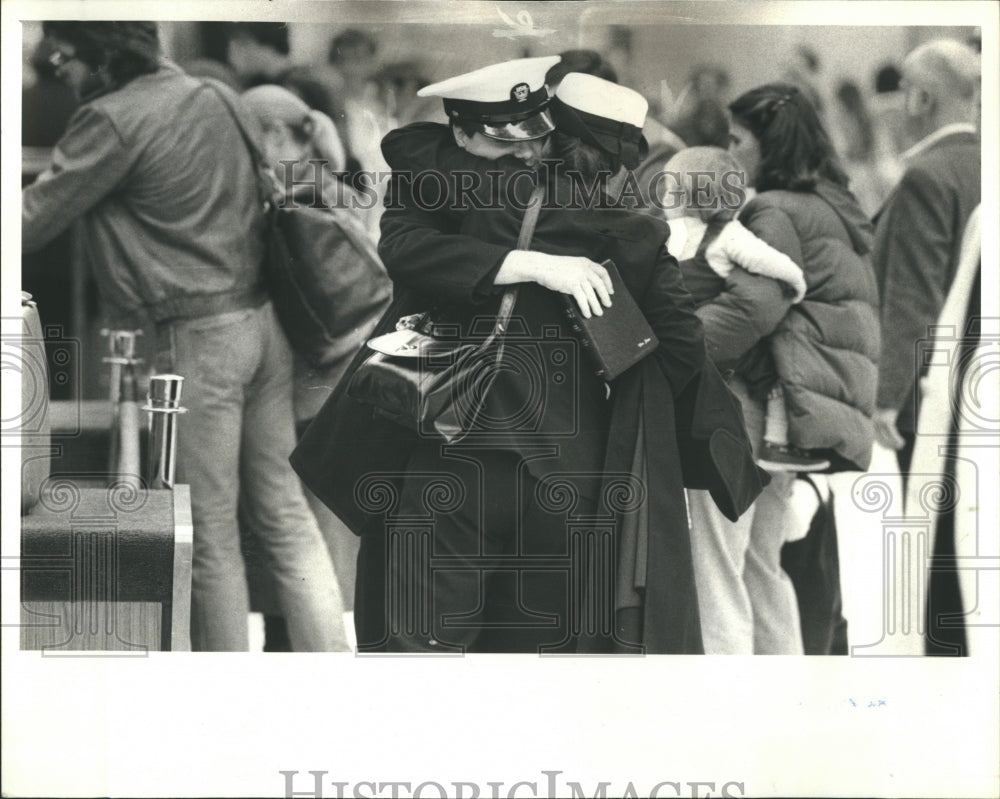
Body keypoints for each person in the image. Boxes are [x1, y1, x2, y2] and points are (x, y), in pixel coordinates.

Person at [292, 60, 766, 654]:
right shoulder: (635, 231)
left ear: (548, 129)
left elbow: (409, 186)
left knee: (419, 655)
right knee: (535, 672)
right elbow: (683, 348)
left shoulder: (462, 194)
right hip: (571, 477)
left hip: (453, 455)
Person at [22, 22, 346, 652]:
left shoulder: (112, 121)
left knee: (208, 535)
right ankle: (329, 679)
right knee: (286, 518)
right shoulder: (214, 94)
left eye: (65, 55)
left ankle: (221, 705)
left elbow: (30, 222)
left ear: (102, 56)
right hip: (264, 323)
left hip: (198, 336)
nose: (59, 68)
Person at [682, 81, 879, 654]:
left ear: (770, 145)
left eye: (740, 140)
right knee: (762, 568)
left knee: (718, 574)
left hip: (746, 403)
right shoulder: (833, 205)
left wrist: (671, 349)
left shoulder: (770, 209)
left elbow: (754, 305)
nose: (731, 153)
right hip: (787, 413)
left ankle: (733, 716)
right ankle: (788, 706)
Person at [238, 83, 389, 649]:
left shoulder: (289, 197)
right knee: (324, 532)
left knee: (297, 531)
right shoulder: (336, 188)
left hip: (308, 381)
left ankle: (301, 646)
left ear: (277, 133)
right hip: (344, 378)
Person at [870, 39, 980, 657]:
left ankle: (944, 674)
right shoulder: (981, 163)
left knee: (937, 550)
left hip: (930, 394)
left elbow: (914, 298)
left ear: (921, 96)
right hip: (978, 383)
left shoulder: (927, 175)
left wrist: (888, 400)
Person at [663, 145, 829, 473]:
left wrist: (795, 280)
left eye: (669, 189)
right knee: (773, 377)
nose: (662, 198)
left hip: (687, 332)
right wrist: (795, 282)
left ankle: (774, 445)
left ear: (691, 195)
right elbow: (769, 261)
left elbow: (768, 260)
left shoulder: (684, 236)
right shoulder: (720, 235)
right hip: (713, 335)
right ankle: (777, 442)